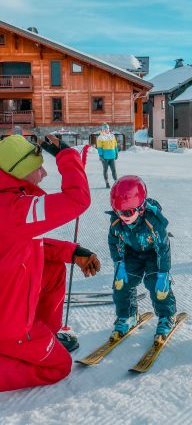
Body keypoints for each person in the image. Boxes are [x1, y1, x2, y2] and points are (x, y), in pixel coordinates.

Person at [0, 134, 101, 392]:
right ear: (19, 171)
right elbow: (77, 199)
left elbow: (19, 243)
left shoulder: (9, 202)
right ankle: (20, 345)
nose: (44, 173)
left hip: (7, 306)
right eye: (37, 167)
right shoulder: (14, 208)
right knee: (58, 367)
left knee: (54, 268)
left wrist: (71, 251)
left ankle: (44, 335)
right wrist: (67, 157)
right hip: (7, 325)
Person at [108, 175, 177, 340]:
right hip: (132, 254)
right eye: (118, 211)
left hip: (154, 256)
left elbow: (163, 248)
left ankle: (167, 316)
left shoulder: (153, 222)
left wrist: (163, 273)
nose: (122, 216)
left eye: (127, 212)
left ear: (140, 208)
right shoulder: (117, 221)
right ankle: (128, 315)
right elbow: (113, 241)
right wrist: (119, 263)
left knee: (157, 286)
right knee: (121, 285)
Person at [97, 123, 119, 188]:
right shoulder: (100, 137)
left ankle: (116, 182)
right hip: (105, 157)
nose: (106, 130)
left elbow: (115, 145)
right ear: (102, 129)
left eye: (107, 128)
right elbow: (99, 148)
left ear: (109, 129)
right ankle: (107, 183)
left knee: (114, 170)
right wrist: (101, 155)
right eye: (105, 129)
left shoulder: (112, 136)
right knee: (105, 170)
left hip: (112, 156)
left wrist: (116, 153)